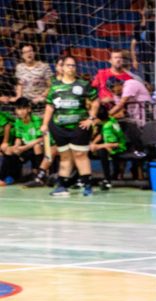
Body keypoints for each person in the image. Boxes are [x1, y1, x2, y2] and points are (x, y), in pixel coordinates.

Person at [41, 55, 99, 198]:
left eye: (73, 65)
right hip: (59, 127)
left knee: (80, 154)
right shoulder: (55, 86)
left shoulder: (83, 84)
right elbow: (49, 106)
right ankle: (62, 186)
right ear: (62, 68)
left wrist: (91, 118)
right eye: (68, 65)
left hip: (79, 127)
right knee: (65, 156)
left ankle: (87, 185)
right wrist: (44, 124)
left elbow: (96, 101)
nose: (71, 68)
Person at [7, 96, 45, 183]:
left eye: (24, 108)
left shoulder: (36, 120)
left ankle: (38, 175)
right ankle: (10, 176)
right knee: (10, 150)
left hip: (38, 147)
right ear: (16, 111)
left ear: (29, 109)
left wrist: (25, 147)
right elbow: (19, 137)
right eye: (19, 109)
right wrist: (16, 146)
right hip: (26, 147)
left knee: (37, 146)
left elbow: (40, 139)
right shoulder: (18, 122)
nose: (21, 111)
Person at [89, 105, 126, 191]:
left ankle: (107, 179)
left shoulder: (109, 125)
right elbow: (101, 135)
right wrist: (93, 144)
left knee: (102, 151)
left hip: (120, 147)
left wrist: (97, 146)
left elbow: (114, 144)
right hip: (109, 145)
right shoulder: (107, 121)